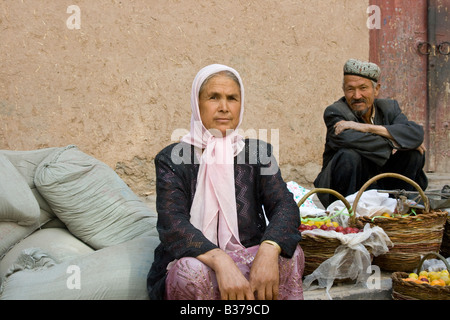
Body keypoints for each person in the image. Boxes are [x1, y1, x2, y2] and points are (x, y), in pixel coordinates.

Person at [147, 64, 304, 300]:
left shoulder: (258, 153)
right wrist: (220, 259)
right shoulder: (173, 158)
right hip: (198, 260)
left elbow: (285, 206)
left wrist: (269, 248)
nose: (224, 107)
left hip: (249, 257)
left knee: (291, 254)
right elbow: (172, 224)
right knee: (190, 272)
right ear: (197, 104)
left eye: (232, 98)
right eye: (213, 97)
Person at [314, 59, 428, 208]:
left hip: (382, 184)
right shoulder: (335, 112)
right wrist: (397, 140)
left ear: (376, 89)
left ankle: (398, 206)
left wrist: (367, 128)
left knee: (412, 153)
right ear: (344, 90)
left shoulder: (389, 108)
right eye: (350, 89)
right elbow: (348, 139)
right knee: (349, 154)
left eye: (363, 88)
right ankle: (348, 211)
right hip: (349, 185)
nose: (356, 95)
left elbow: (416, 133)